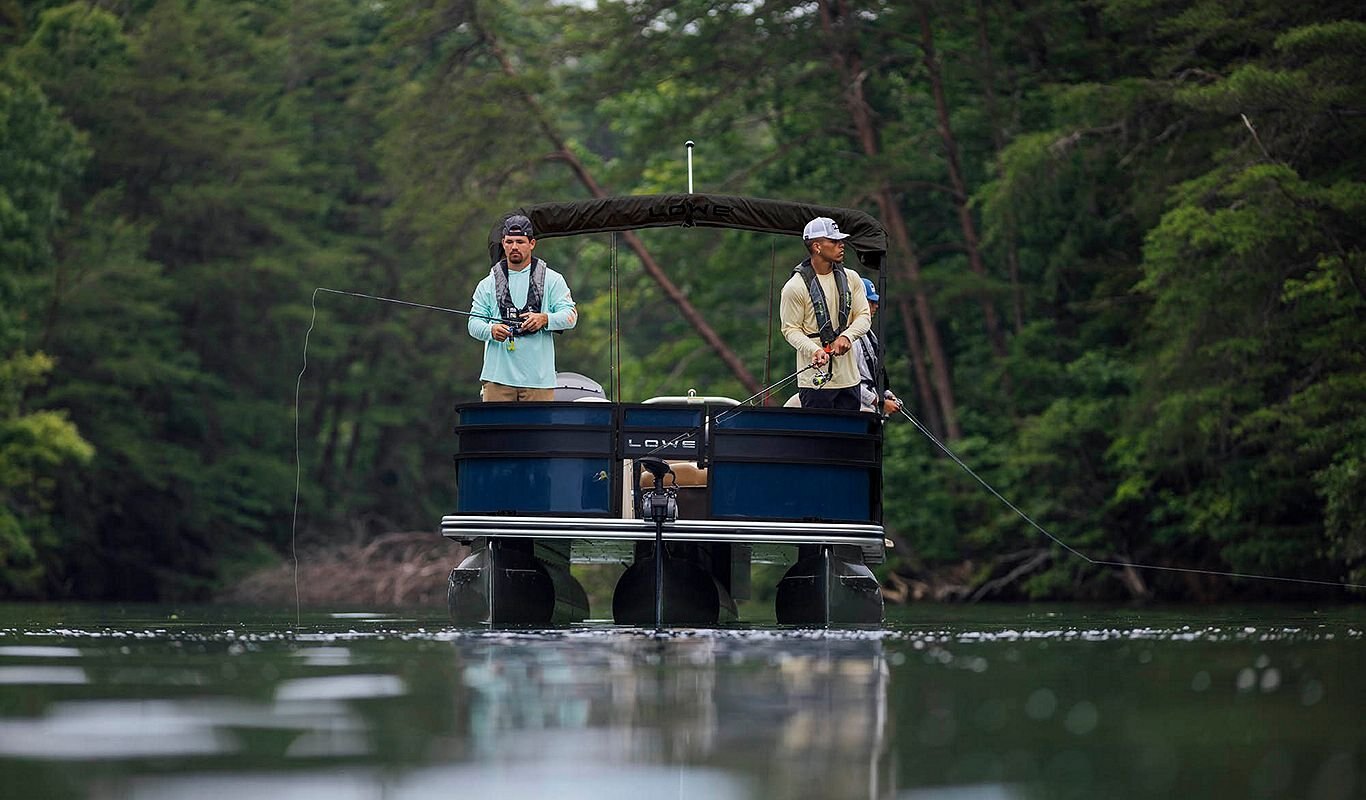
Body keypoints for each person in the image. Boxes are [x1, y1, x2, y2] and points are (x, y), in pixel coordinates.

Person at [468, 214, 578, 401]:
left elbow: (571, 316)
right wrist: (491, 330)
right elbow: (473, 324)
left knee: (538, 431)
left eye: (520, 241)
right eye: (509, 242)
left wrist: (544, 319)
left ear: (532, 243)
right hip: (497, 380)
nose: (514, 247)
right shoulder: (487, 283)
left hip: (539, 381)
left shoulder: (553, 279)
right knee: (496, 431)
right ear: (503, 243)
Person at [779, 216, 871, 410]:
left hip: (849, 380)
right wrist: (814, 350)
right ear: (817, 247)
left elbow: (864, 316)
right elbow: (790, 330)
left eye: (841, 240)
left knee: (847, 438)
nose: (841, 245)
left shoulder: (851, 278)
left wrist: (847, 335)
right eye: (834, 241)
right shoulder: (794, 287)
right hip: (814, 382)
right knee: (817, 439)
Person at [853, 277, 902, 415]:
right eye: (871, 302)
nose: (876, 306)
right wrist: (879, 402)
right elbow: (849, 383)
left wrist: (885, 393)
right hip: (856, 409)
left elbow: (870, 373)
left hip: (869, 405)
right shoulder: (849, 338)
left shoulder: (868, 334)